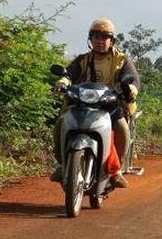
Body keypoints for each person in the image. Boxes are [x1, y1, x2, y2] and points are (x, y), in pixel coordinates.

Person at [50, 17, 140, 188]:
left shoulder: (122, 60)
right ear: (90, 39)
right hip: (82, 103)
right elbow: (69, 74)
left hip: (110, 105)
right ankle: (61, 164)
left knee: (122, 128)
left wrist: (130, 89)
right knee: (61, 122)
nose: (100, 41)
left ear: (112, 41)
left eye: (105, 38)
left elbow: (133, 79)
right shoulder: (83, 60)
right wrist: (62, 82)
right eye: (96, 37)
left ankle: (116, 171)